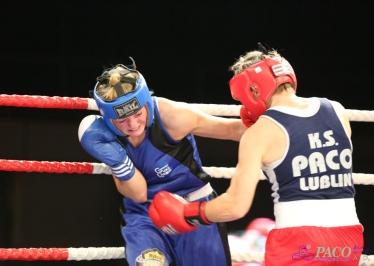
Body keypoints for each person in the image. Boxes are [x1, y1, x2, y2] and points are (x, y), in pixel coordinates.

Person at [148, 44, 365, 265]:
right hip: (348, 241)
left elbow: (235, 206)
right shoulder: (337, 111)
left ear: (252, 90)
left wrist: (188, 213)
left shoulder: (261, 131)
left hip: (299, 241)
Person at [77, 58, 247, 266]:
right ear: (109, 119)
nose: (132, 124)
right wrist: (118, 159)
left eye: (138, 114)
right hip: (145, 216)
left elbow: (232, 130)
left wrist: (283, 127)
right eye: (122, 120)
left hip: (195, 208)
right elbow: (138, 193)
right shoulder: (108, 138)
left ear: (147, 102)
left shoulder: (172, 117)